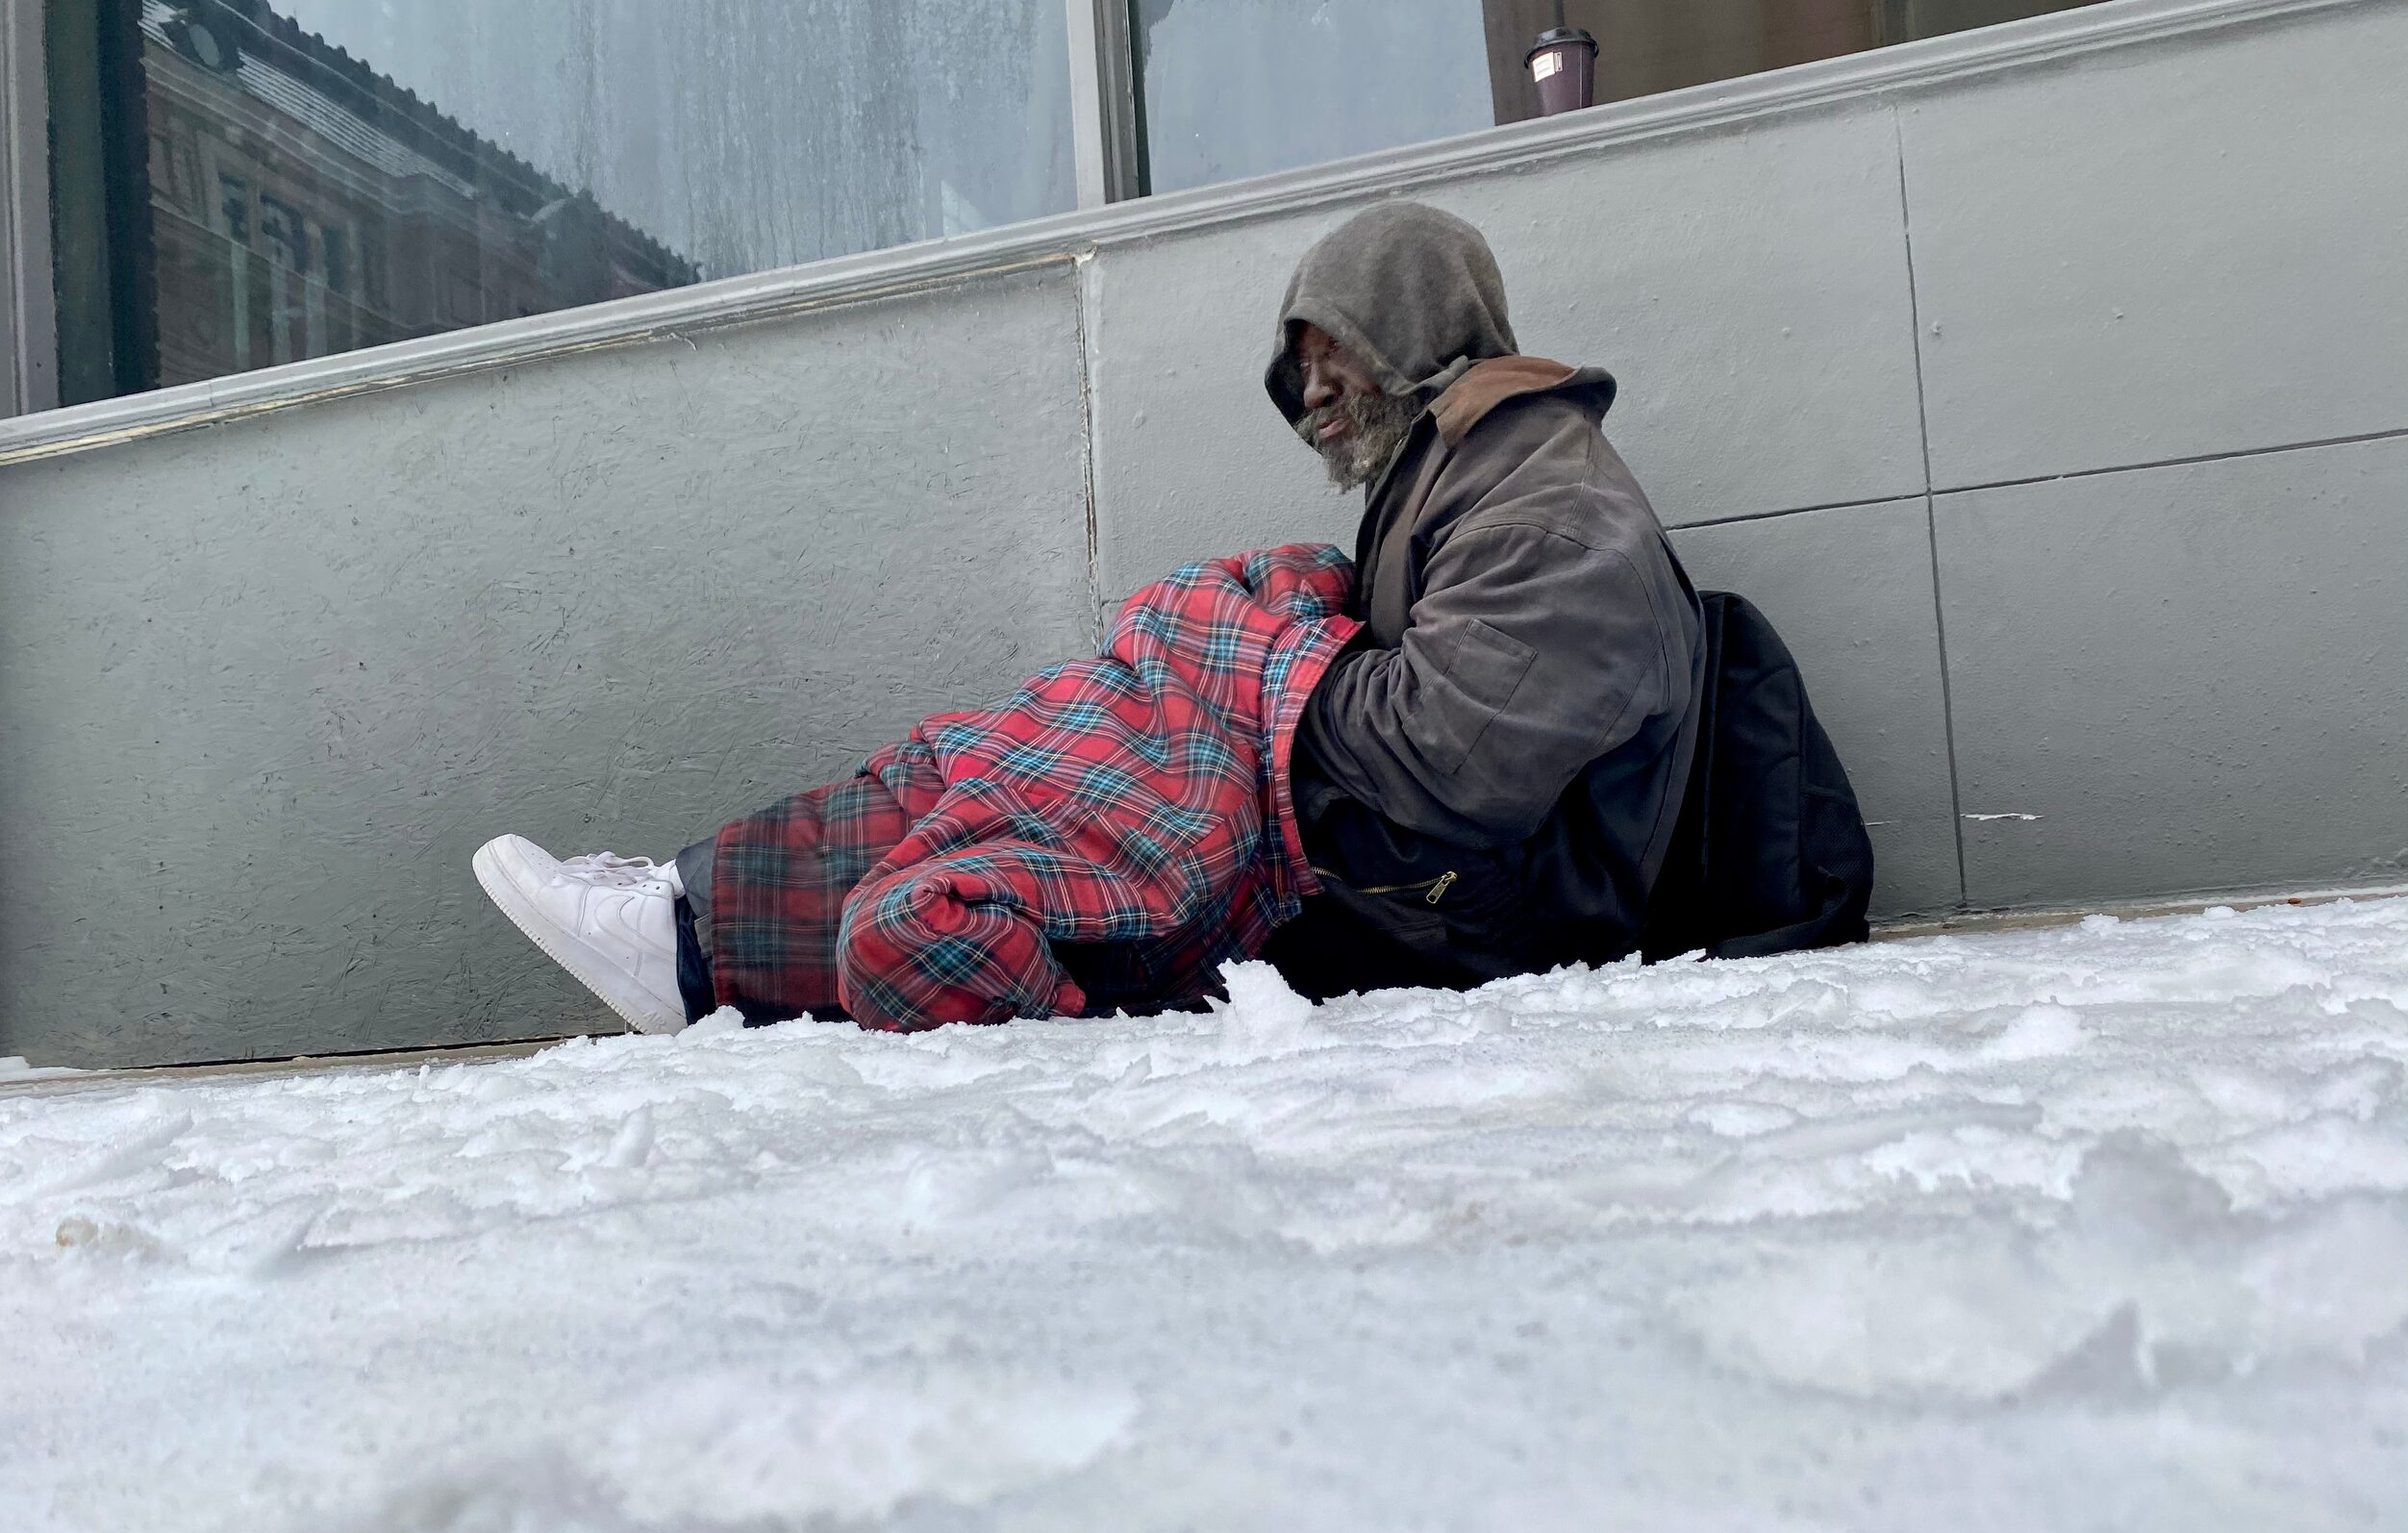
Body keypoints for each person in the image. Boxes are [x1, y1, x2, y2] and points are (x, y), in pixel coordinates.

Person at [475, 201, 1825, 1035]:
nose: (1313, 399)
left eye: (1330, 355)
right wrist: (1260, 629)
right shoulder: (1466, 474)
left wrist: (1246, 640)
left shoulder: (1552, 508)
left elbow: (1444, 764)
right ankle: (686, 917)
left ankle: (694, 937)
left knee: (1097, 731)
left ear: (1411, 329)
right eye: (1300, 366)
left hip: (1453, 907)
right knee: (995, 761)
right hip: (1382, 863)